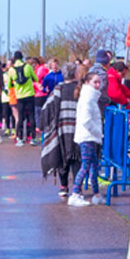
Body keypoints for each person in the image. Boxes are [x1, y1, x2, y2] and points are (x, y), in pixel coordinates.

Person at [40, 62, 81, 197]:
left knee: (63, 157)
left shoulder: (59, 89)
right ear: (75, 74)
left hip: (62, 128)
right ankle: (77, 187)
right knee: (77, 158)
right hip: (78, 127)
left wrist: (46, 124)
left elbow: (46, 107)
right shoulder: (80, 88)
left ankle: (63, 187)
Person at [68, 72, 104, 207]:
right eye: (95, 82)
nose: (98, 85)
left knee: (93, 165)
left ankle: (96, 195)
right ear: (88, 82)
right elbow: (86, 120)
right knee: (86, 166)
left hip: (89, 136)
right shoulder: (88, 98)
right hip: (87, 137)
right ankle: (75, 194)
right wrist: (98, 133)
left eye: (99, 82)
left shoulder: (89, 96)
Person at [7, 51, 38, 146]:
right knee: (31, 116)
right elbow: (35, 79)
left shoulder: (11, 70)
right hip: (29, 94)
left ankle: (19, 138)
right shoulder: (28, 67)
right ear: (22, 58)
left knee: (20, 117)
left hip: (19, 95)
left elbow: (9, 85)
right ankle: (33, 138)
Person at [90, 49, 112, 115]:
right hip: (99, 104)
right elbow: (101, 88)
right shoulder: (103, 73)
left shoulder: (91, 70)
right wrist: (108, 100)